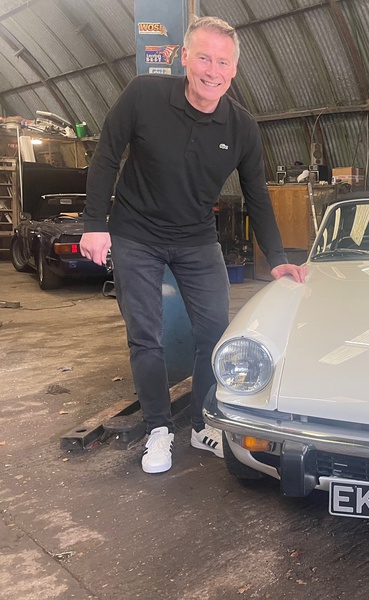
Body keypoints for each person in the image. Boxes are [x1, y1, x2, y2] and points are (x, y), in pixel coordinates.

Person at [80, 16, 306, 475]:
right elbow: (106, 155)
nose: (212, 70)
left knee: (215, 332)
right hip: (135, 233)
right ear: (184, 57)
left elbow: (257, 195)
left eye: (222, 62)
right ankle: (159, 428)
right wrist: (94, 224)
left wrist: (278, 258)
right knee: (147, 335)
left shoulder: (242, 127)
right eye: (203, 58)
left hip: (196, 237)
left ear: (234, 69)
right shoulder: (144, 95)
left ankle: (203, 423)